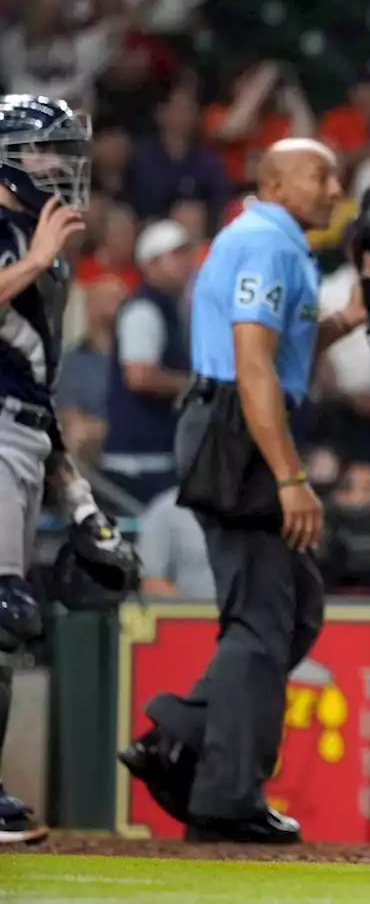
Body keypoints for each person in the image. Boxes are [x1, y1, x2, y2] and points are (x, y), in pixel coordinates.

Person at [118, 162, 370, 844]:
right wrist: (291, 477)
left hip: (239, 426)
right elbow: (255, 363)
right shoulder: (267, 242)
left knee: (295, 605)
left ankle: (179, 734)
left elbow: (286, 347)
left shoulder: (286, 248)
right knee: (261, 620)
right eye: (319, 179)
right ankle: (226, 797)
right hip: (237, 429)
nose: (334, 191)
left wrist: (350, 316)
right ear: (276, 185)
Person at [0, 94, 139, 843]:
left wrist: (84, 506)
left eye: (64, 153)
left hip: (22, 435)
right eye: (43, 152)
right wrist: (32, 260)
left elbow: (37, 392)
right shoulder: (17, 243)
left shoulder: (33, 248)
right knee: (0, 612)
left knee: (12, 622)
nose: (58, 168)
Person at [99, 219, 194, 507]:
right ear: (149, 264)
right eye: (174, 256)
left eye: (185, 254)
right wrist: (194, 385)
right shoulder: (144, 309)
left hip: (155, 457)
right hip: (138, 464)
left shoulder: (169, 309)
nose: (185, 263)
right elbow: (139, 375)